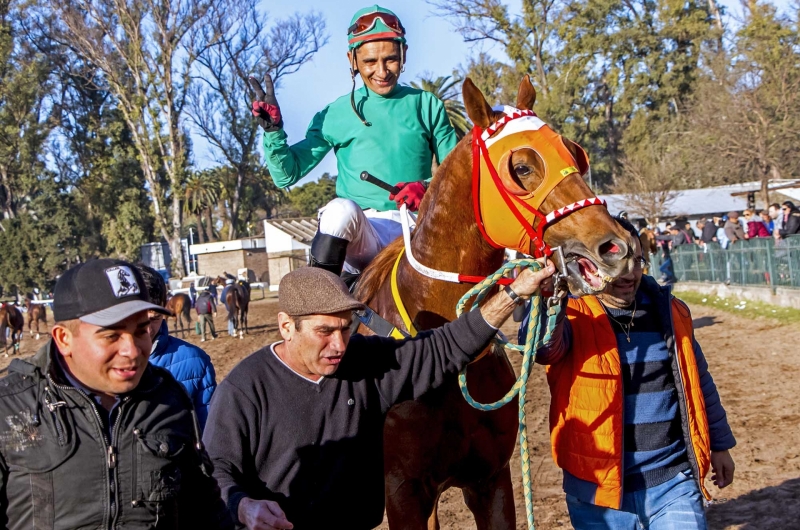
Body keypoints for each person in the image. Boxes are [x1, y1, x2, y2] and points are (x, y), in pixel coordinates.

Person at [203, 264, 556, 530]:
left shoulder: (365, 361)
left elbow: (445, 347)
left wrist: (514, 294)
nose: (339, 345)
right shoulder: (244, 387)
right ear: (286, 326)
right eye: (324, 332)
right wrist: (242, 505)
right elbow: (216, 469)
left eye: (345, 329)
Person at [524, 219, 735, 530]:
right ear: (590, 265)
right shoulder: (571, 314)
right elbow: (542, 350)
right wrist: (547, 299)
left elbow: (698, 381)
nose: (629, 272)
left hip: (672, 480)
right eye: (615, 260)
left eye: (636, 260)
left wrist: (720, 443)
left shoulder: (671, 312)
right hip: (597, 493)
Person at [0, 258, 233, 528]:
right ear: (64, 339)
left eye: (141, 330)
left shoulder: (170, 399)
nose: (132, 350)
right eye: (111, 335)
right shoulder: (10, 408)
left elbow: (207, 513)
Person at [250, 5, 458, 280]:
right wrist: (274, 131)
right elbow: (285, 175)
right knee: (339, 211)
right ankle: (320, 302)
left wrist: (427, 189)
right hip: (364, 234)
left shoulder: (426, 105)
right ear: (353, 60)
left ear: (404, 54)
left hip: (419, 230)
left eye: (391, 59)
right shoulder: (334, 114)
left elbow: (458, 174)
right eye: (370, 62)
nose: (382, 71)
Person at [137, 264, 218, 430]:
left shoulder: (197, 362)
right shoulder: (95, 364)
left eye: (155, 318)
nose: (148, 329)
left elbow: (210, 436)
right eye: (138, 319)